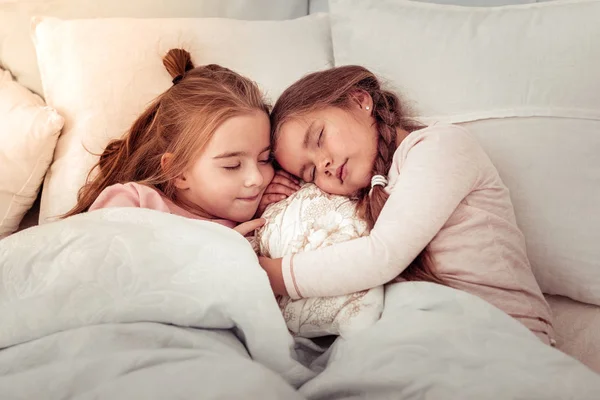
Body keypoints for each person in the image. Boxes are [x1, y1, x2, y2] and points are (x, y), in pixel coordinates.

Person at [257, 65, 555, 345]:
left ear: (360, 101)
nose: (323, 164)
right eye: (309, 172)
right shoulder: (359, 196)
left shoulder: (440, 146)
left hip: (504, 330)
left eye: (319, 138)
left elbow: (382, 255)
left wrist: (261, 273)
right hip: (426, 332)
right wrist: (270, 202)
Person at [63, 48, 295, 237]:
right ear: (178, 172)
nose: (256, 178)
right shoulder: (134, 203)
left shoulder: (261, 219)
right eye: (232, 165)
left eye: (265, 159)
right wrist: (226, 249)